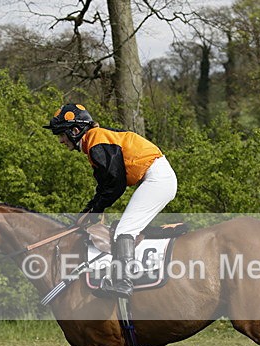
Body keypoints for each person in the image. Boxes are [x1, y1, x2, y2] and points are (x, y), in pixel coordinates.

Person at [44, 103, 178, 298]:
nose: (61, 140)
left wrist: (94, 211)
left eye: (61, 134)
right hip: (156, 177)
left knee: (125, 230)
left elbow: (115, 185)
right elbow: (104, 187)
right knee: (124, 226)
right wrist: (89, 211)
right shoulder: (95, 141)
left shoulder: (97, 143)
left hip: (157, 179)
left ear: (75, 131)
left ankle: (124, 282)